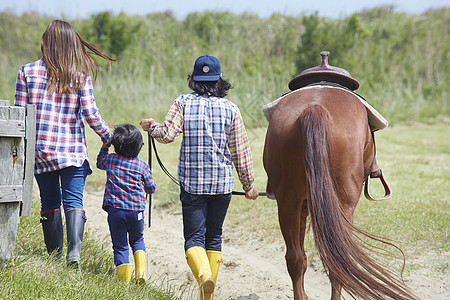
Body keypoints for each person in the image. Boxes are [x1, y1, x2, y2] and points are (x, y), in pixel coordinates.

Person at [140, 55, 258, 299]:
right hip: (222, 185)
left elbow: (167, 135)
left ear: (193, 79)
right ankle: (208, 295)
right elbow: (241, 151)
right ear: (220, 79)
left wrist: (151, 126)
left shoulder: (182, 103)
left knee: (194, 237)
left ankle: (203, 276)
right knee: (214, 237)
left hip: (193, 185)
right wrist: (249, 186)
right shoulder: (231, 109)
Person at [14, 20, 115, 268]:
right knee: (74, 202)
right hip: (72, 152)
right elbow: (92, 115)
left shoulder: (26, 72)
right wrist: (108, 137)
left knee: (50, 202)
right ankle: (74, 255)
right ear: (71, 45)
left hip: (41, 153)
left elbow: (19, 116)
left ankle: (54, 257)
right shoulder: (79, 77)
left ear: (46, 43)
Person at [97, 123, 156, 284]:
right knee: (137, 240)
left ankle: (124, 283)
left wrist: (105, 145)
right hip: (136, 211)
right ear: (139, 146)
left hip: (116, 212)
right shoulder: (142, 166)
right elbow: (151, 189)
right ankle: (141, 273)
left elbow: (99, 162)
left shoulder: (110, 160)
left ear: (115, 144)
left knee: (120, 245)